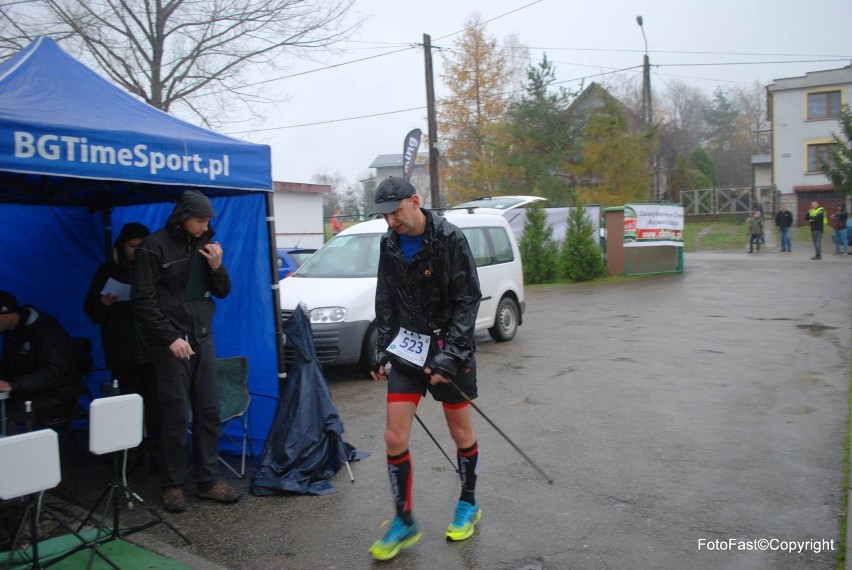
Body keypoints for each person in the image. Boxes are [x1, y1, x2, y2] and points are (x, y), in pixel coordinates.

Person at [367, 177, 483, 561]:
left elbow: (468, 300)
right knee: (393, 436)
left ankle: (468, 502)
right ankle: (404, 522)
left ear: (415, 202)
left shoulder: (449, 238)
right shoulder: (388, 243)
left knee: (459, 430)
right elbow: (385, 296)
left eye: (395, 213)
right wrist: (383, 349)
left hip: (450, 347)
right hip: (407, 348)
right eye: (384, 216)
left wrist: (450, 355)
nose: (390, 222)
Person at [132, 190, 240, 513]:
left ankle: (208, 480)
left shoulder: (206, 245)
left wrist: (218, 266)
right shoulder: (153, 246)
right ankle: (172, 485)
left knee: (208, 410)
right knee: (175, 413)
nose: (204, 226)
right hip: (172, 343)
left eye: (208, 221)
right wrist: (168, 337)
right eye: (199, 220)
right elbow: (142, 300)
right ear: (182, 218)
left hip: (203, 337)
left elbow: (222, 291)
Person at [84, 222, 160, 468]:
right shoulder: (107, 271)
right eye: (132, 246)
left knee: (155, 402)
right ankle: (132, 452)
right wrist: (103, 305)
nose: (136, 251)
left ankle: (157, 451)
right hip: (122, 350)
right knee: (127, 403)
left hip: (151, 349)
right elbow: (91, 313)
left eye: (141, 246)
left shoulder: (155, 270)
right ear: (122, 246)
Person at [0, 290, 80, 429]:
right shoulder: (11, 333)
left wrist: (13, 385)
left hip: (58, 396)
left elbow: (54, 371)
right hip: (28, 392)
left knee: (7, 413)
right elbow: (9, 368)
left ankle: (17, 450)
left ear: (8, 313)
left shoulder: (48, 331)